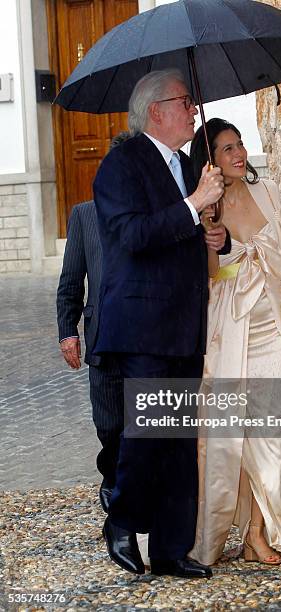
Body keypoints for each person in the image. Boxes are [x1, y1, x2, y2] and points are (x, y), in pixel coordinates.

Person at [93, 70, 230, 578]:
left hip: (184, 321)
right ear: (157, 110)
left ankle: (172, 548)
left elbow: (188, 231)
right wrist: (194, 205)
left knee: (177, 442)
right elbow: (132, 235)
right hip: (143, 322)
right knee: (147, 434)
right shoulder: (120, 165)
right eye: (185, 102)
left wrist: (215, 237)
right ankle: (122, 523)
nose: (193, 110)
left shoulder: (189, 162)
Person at [189, 118, 281, 566]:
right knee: (229, 436)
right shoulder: (209, 208)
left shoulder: (269, 191)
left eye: (240, 145)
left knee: (276, 432)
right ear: (211, 161)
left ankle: (258, 532)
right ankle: (221, 529)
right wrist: (209, 239)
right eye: (226, 149)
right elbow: (209, 276)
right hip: (231, 328)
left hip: (272, 326)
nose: (239, 154)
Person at [56, 131, 130, 513]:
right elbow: (70, 281)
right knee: (109, 424)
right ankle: (112, 474)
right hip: (102, 338)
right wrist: (68, 331)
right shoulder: (84, 215)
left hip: (145, 337)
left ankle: (131, 493)